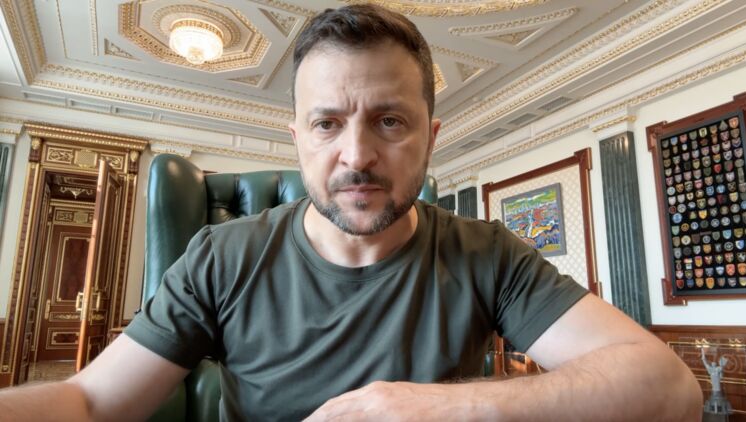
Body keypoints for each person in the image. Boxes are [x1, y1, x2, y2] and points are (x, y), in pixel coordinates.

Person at [0, 4, 702, 421]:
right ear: (298, 137)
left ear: (431, 137)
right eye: (328, 123)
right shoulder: (220, 257)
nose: (357, 155)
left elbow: (670, 389)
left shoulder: (486, 254)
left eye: (390, 121)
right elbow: (88, 403)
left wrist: (447, 408)